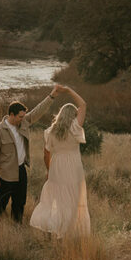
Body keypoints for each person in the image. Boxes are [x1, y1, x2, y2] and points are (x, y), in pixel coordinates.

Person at [0, 83, 62, 221]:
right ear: (12, 115)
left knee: (20, 202)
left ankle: (17, 226)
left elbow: (37, 111)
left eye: (24, 116)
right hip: (6, 173)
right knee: (1, 202)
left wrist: (52, 96)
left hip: (21, 170)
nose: (23, 118)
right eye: (20, 116)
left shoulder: (23, 122)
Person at [29, 85, 91, 238]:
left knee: (58, 202)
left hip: (57, 168)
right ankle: (67, 232)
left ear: (61, 114)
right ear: (74, 115)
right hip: (74, 168)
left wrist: (49, 170)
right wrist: (69, 90)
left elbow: (46, 154)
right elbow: (83, 104)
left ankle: (58, 230)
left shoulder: (50, 132)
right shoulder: (75, 127)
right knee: (73, 202)